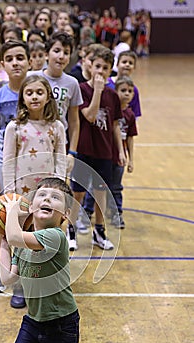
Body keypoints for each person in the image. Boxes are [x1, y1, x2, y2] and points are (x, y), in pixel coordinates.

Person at [0, 177, 80, 343]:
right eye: (42, 195)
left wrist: (10, 209)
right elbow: (8, 279)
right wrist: (3, 243)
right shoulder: (23, 244)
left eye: (55, 198)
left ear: (65, 214)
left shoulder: (56, 237)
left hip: (62, 324)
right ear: (32, 205)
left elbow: (14, 234)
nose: (47, 199)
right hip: (33, 323)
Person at [0, 40, 30, 307]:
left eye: (20, 57)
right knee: (3, 224)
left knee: (28, 225)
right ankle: (7, 274)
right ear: (2, 64)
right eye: (10, 58)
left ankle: (28, 277)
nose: (15, 62)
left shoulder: (38, 92)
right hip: (5, 168)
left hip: (32, 171)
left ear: (30, 61)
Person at [68, 47, 126, 251]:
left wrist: (120, 150)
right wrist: (98, 91)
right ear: (90, 66)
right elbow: (90, 116)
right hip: (84, 149)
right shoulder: (82, 89)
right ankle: (71, 229)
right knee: (78, 193)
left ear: (111, 70)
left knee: (101, 192)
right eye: (98, 66)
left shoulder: (113, 95)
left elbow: (116, 124)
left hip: (104, 150)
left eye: (106, 68)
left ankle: (99, 232)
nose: (101, 71)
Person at [30, 32, 83, 180]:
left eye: (66, 53)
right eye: (57, 51)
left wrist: (72, 152)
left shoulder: (72, 83)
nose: (61, 56)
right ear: (47, 54)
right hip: (32, 142)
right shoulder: (32, 77)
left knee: (56, 188)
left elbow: (74, 121)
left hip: (58, 143)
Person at [3, 75, 67, 196]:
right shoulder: (14, 127)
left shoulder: (57, 126)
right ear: (22, 99)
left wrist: (59, 187)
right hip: (21, 191)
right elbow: (8, 162)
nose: (34, 97)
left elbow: (60, 160)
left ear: (48, 97)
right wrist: (9, 192)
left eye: (39, 92)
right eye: (29, 93)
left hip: (48, 192)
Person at [109, 76, 137, 228]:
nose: (127, 94)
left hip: (120, 157)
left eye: (130, 91)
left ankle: (116, 214)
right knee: (96, 186)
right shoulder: (110, 111)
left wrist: (131, 159)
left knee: (116, 187)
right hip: (106, 155)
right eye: (123, 90)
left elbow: (131, 138)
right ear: (116, 92)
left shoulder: (130, 115)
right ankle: (87, 213)